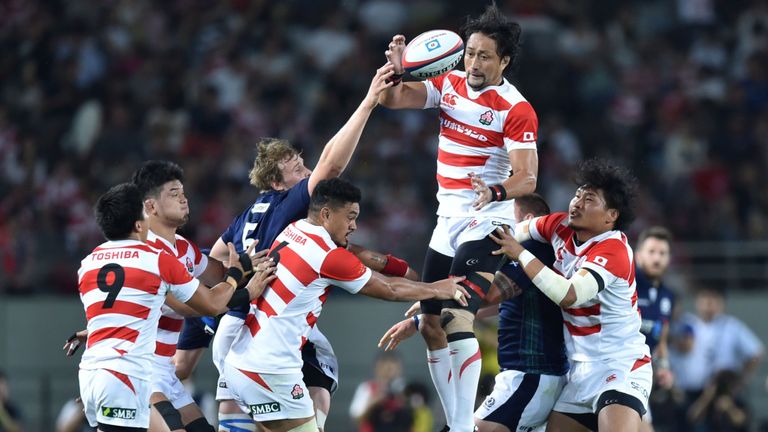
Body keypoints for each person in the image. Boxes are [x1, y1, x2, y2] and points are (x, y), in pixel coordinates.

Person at [203, 65, 400, 432]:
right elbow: (333, 164)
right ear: (277, 182)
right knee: (321, 381)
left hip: (232, 329)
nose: (308, 173)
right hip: (262, 330)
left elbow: (214, 258)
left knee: (246, 414)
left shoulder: (247, 213)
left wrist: (230, 288)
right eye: (298, 169)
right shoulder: (290, 203)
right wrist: (369, 102)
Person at [379, 5, 539, 429]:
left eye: (485, 56)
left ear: (504, 61)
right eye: (470, 53)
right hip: (446, 219)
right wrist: (398, 71)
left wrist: (496, 191)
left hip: (487, 221)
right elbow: (388, 99)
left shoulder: (515, 108)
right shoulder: (449, 83)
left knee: (456, 316)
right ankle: (456, 422)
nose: (474, 63)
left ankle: (463, 427)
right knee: (431, 324)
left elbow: (528, 177)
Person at [223, 178, 469, 432]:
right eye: (350, 217)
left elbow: (352, 252)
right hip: (269, 371)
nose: (354, 225)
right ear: (327, 214)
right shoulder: (327, 255)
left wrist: (402, 268)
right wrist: (438, 288)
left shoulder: (294, 229)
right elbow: (389, 289)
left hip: (240, 363)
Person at [73, 182, 273, 432]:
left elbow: (118, 314)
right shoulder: (156, 260)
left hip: (95, 373)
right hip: (127, 376)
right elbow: (210, 304)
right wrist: (235, 276)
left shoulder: (87, 264)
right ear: (138, 225)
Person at [379, 194, 569, 432]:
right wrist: (424, 318)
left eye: (507, 215)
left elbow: (488, 295)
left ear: (528, 219)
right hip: (532, 373)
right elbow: (489, 304)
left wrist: (437, 294)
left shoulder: (535, 248)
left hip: (530, 374)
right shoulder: (535, 253)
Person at [490, 159, 652, 432]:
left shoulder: (613, 251)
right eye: (578, 194)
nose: (576, 202)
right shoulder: (558, 226)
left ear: (610, 215)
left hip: (620, 366)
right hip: (579, 373)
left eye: (589, 199)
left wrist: (520, 253)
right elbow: (506, 233)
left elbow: (569, 295)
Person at [132, 160, 264, 432]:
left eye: (183, 192)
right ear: (150, 206)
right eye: (173, 193)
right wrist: (245, 289)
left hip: (164, 373)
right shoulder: (147, 254)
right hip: (139, 371)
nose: (183, 198)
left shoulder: (184, 248)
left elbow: (223, 276)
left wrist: (248, 265)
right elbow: (195, 306)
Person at [670, 287, 763, 431]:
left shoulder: (731, 326)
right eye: (705, 299)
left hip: (722, 392)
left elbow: (756, 352)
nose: (709, 304)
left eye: (713, 300)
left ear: (722, 303)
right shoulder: (688, 323)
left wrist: (741, 380)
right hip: (691, 392)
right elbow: (679, 345)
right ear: (697, 301)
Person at [633, 226, 676, 431]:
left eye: (662, 253)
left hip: (640, 379)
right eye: (651, 252)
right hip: (613, 372)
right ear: (638, 254)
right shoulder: (625, 284)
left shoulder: (668, 296)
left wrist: (664, 367)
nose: (657, 259)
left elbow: (661, 338)